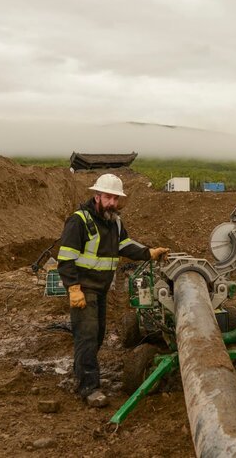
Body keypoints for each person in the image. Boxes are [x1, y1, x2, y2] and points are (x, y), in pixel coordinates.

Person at [57, 173, 169, 407]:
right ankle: (89, 388)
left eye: (115, 198)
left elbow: (124, 245)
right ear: (97, 196)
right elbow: (66, 258)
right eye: (108, 197)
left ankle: (81, 373)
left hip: (101, 289)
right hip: (84, 288)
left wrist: (148, 252)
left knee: (97, 335)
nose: (112, 203)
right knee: (87, 336)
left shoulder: (114, 222)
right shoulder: (79, 221)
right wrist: (73, 288)